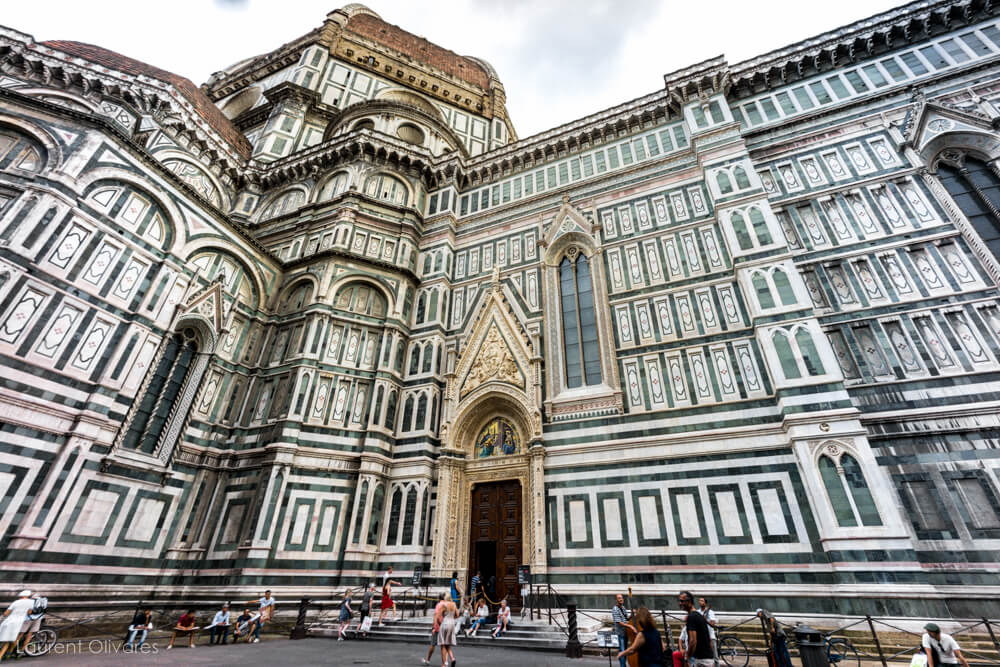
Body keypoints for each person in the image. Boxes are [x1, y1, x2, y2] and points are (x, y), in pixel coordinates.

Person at [681, 591, 714, 667]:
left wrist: (687, 658)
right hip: (705, 659)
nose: (680, 603)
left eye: (682, 601)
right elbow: (708, 639)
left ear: (689, 601)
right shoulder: (698, 614)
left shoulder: (692, 616)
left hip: (702, 661)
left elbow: (693, 641)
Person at [0, 591, 34, 661]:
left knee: (4, 639)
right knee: (9, 640)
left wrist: (3, 616)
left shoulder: (16, 602)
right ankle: (5, 654)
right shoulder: (31, 602)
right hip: (19, 623)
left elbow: (6, 613)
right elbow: (29, 613)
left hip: (9, 621)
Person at [422, 593, 447, 666]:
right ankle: (444, 663)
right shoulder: (447, 605)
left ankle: (428, 660)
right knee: (443, 646)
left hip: (438, 627)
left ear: (439, 598)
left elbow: (436, 616)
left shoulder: (438, 605)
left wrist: (433, 627)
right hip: (445, 626)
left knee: (433, 644)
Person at [612, 593, 633, 667]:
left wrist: (631, 615)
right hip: (621, 633)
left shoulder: (623, 608)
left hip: (625, 632)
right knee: (622, 650)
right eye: (619, 598)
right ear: (616, 600)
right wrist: (630, 626)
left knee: (625, 651)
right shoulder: (615, 609)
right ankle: (622, 665)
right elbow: (619, 622)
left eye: (621, 598)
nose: (621, 599)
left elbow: (626, 619)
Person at [437, 599, 458, 667]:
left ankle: (443, 664)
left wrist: (440, 624)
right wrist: (451, 618)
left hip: (445, 623)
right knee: (447, 643)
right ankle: (452, 658)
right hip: (452, 624)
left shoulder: (444, 605)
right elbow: (457, 615)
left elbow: (438, 617)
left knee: (443, 644)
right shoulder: (454, 604)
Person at [698, 597, 718, 667]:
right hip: (702, 638)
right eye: (699, 601)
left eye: (702, 601)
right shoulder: (698, 612)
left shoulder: (710, 612)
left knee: (715, 657)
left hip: (711, 636)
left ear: (705, 603)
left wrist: (705, 620)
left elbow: (712, 624)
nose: (700, 602)